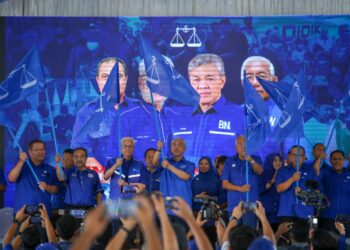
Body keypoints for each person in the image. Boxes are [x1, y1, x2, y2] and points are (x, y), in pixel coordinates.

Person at [170, 53, 244, 163]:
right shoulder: (177, 117)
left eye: (210, 79)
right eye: (196, 79)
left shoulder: (241, 116)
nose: (203, 85)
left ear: (222, 81)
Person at [71, 57, 139, 166]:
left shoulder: (141, 109)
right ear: (98, 80)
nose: (112, 82)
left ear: (126, 79)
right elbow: (80, 151)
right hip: (103, 179)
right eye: (105, 77)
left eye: (118, 76)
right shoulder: (86, 112)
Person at [240, 56, 310, 160]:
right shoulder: (235, 112)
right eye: (249, 77)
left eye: (262, 77)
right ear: (242, 83)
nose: (255, 83)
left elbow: (295, 159)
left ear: (274, 80)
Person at [120, 57, 182, 160]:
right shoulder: (126, 117)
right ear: (139, 82)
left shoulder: (178, 116)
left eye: (162, 79)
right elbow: (115, 162)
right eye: (149, 79)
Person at [221, 135, 263, 229]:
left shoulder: (256, 159)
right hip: (234, 205)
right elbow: (225, 184)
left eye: (246, 144)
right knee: (233, 234)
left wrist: (250, 160)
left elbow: (259, 171)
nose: (243, 147)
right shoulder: (229, 161)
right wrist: (240, 188)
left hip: (250, 204)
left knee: (249, 234)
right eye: (240, 144)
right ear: (236, 147)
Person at [8, 139, 59, 214]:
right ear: (30, 152)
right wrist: (21, 161)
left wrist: (47, 187)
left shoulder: (50, 169)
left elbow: (57, 190)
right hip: (23, 212)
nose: (40, 152)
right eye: (36, 150)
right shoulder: (21, 165)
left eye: (42, 149)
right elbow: (11, 179)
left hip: (43, 213)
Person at [276, 145, 320, 221]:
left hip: (306, 212)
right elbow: (279, 189)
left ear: (304, 158)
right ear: (289, 156)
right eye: (295, 155)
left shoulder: (311, 171)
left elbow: (317, 192)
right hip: (287, 212)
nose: (297, 157)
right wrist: (292, 179)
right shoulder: (283, 171)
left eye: (300, 155)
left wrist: (304, 193)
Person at [153, 138, 195, 216]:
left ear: (184, 149)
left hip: (183, 207)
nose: (176, 147)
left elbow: (185, 177)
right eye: (174, 145)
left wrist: (169, 166)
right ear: (171, 148)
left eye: (179, 145)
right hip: (167, 207)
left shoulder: (190, 164)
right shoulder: (165, 161)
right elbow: (154, 162)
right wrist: (158, 149)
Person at [57, 147, 103, 212]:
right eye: (76, 157)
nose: (79, 159)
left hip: (89, 210)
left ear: (86, 158)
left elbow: (98, 193)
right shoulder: (68, 172)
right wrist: (58, 163)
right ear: (73, 159)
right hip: (71, 209)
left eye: (82, 157)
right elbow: (61, 178)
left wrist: (100, 210)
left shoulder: (94, 174)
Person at [191, 156, 221, 247]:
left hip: (211, 212)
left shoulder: (216, 180)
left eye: (206, 164)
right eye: (201, 164)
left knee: (211, 240)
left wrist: (209, 198)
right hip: (196, 212)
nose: (203, 166)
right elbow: (190, 197)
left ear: (210, 165)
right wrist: (198, 197)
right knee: (196, 240)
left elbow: (222, 197)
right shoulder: (194, 180)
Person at [319, 150, 350, 236]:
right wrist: (320, 159)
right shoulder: (325, 173)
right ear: (330, 160)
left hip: (347, 218)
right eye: (334, 159)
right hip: (328, 217)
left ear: (344, 160)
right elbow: (316, 173)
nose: (337, 161)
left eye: (340, 159)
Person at [259, 153, 282, 230]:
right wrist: (272, 181)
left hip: (279, 211)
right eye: (275, 160)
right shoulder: (263, 174)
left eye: (279, 160)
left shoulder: (284, 174)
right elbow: (260, 190)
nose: (277, 163)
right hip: (266, 210)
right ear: (269, 161)